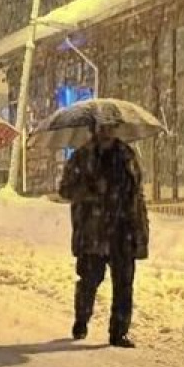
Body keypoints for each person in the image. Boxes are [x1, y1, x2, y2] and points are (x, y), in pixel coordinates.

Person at [58, 122, 150, 348]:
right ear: (94, 130)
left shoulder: (126, 155)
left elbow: (137, 191)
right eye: (102, 127)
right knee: (90, 280)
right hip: (93, 231)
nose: (107, 132)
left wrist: (140, 226)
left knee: (124, 283)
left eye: (111, 127)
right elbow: (65, 190)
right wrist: (90, 190)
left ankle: (119, 332)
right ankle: (82, 319)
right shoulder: (82, 157)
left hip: (123, 229)